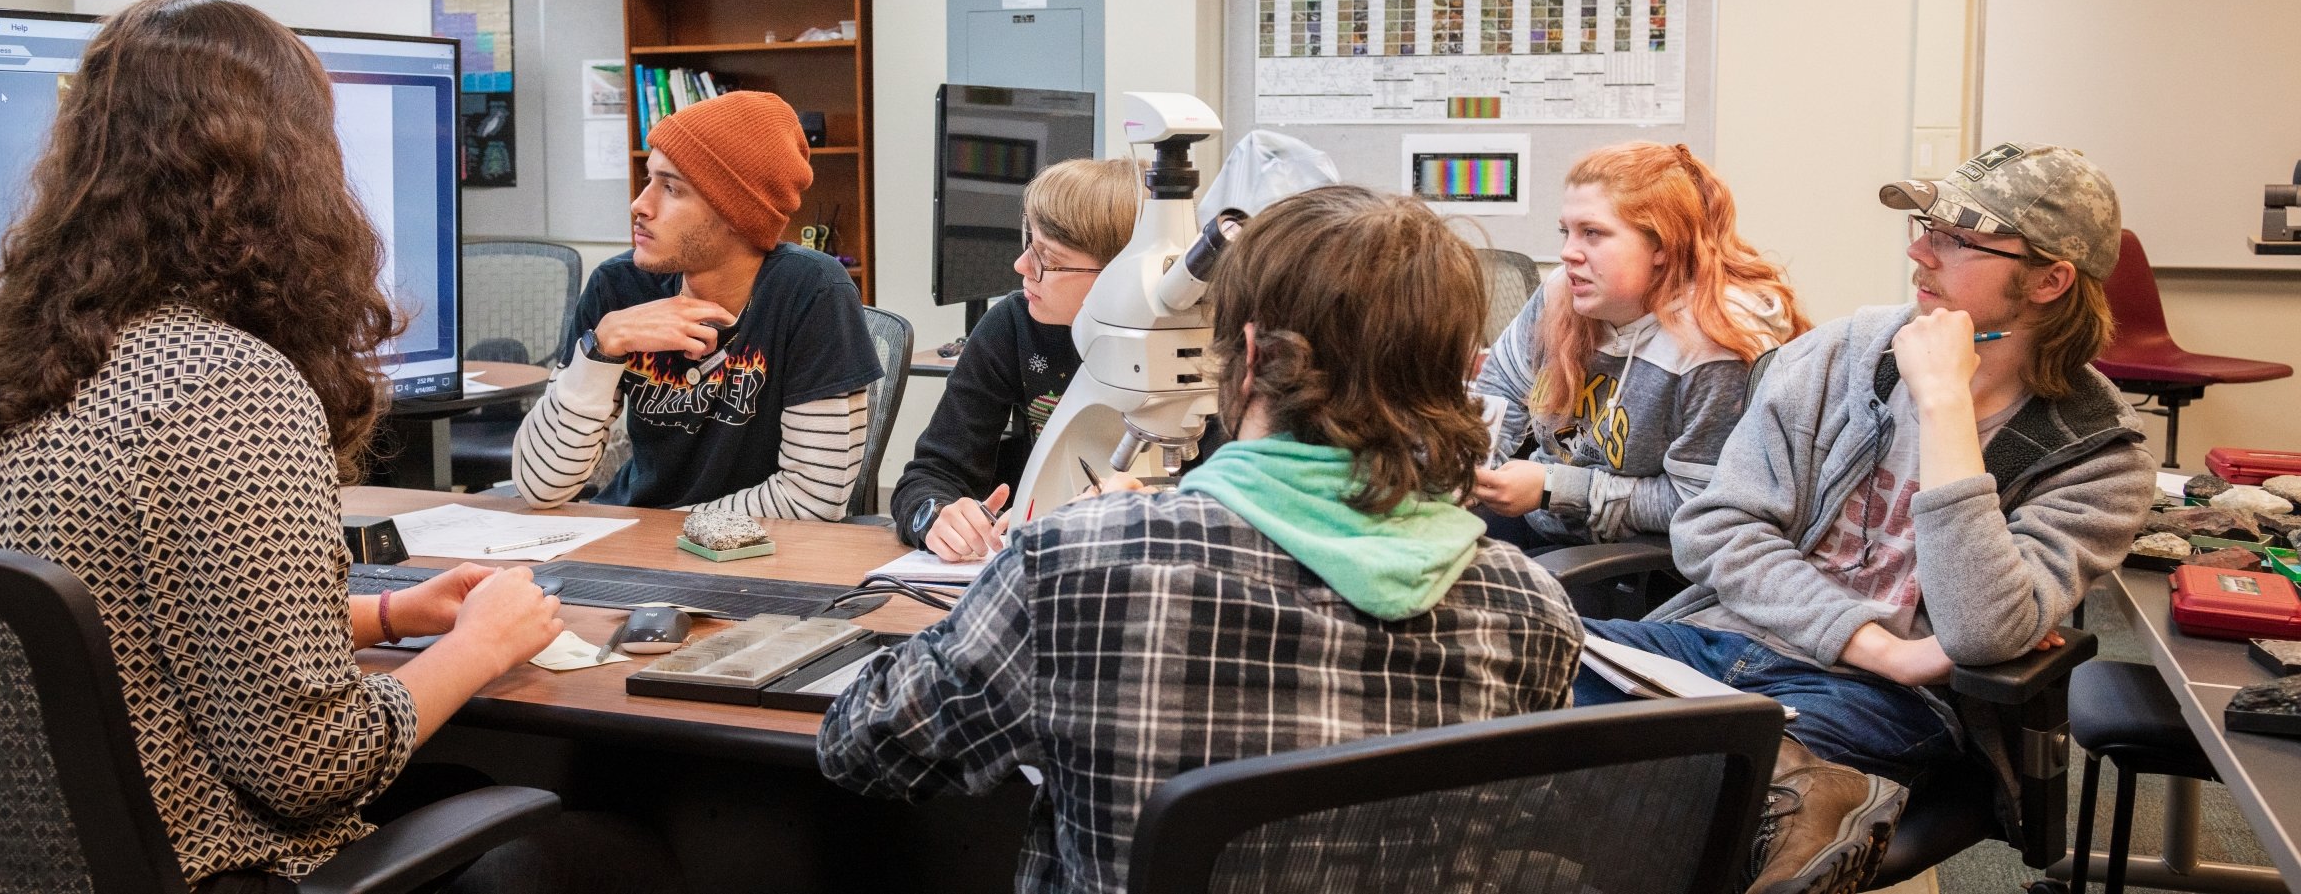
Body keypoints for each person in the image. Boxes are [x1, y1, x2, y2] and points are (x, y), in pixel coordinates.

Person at [0, 0, 615, 890]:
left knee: (467, 782)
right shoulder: (227, 384)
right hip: (206, 862)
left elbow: (116, 628)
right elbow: (311, 763)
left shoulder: (8, 365)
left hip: (34, 867)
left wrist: (391, 615)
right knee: (611, 852)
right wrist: (481, 644)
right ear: (288, 171)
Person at [818, 185, 1584, 894]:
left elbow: (860, 743)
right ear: (1463, 374)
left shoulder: (1077, 567)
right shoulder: (1535, 614)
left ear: (1248, 357)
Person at [1575, 143, 2153, 894]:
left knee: (1670, 795)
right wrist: (1877, 642)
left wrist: (1945, 404)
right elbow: (1714, 525)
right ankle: (1804, 789)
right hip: (1721, 643)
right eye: (1925, 225)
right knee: (1512, 666)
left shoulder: (2098, 457)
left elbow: (1978, 626)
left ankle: (1798, 787)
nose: (1919, 250)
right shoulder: (1848, 352)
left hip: (1880, 702)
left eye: (1955, 238)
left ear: (2049, 279)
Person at [512, 90, 884, 518]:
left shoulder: (812, 292)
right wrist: (602, 346)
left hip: (756, 560)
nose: (640, 205)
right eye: (648, 179)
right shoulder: (619, 288)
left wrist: (663, 532)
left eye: (671, 188)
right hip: (631, 545)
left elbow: (813, 499)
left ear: (736, 214)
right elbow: (540, 487)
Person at [1471, 141, 1805, 550]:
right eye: (1567, 231)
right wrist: (1465, 471)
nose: (1567, 253)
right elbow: (1497, 396)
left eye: (1592, 233)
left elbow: (1697, 503)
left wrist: (1553, 487)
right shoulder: (1562, 293)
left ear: (1661, 245)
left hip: (1638, 563)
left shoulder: (1715, 345)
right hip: (1544, 520)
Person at [889, 157, 1142, 560]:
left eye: (1047, 257)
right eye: (1029, 244)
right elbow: (928, 477)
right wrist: (936, 516)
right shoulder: (1012, 325)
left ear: (1119, 275)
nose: (1021, 266)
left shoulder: (1194, 346)